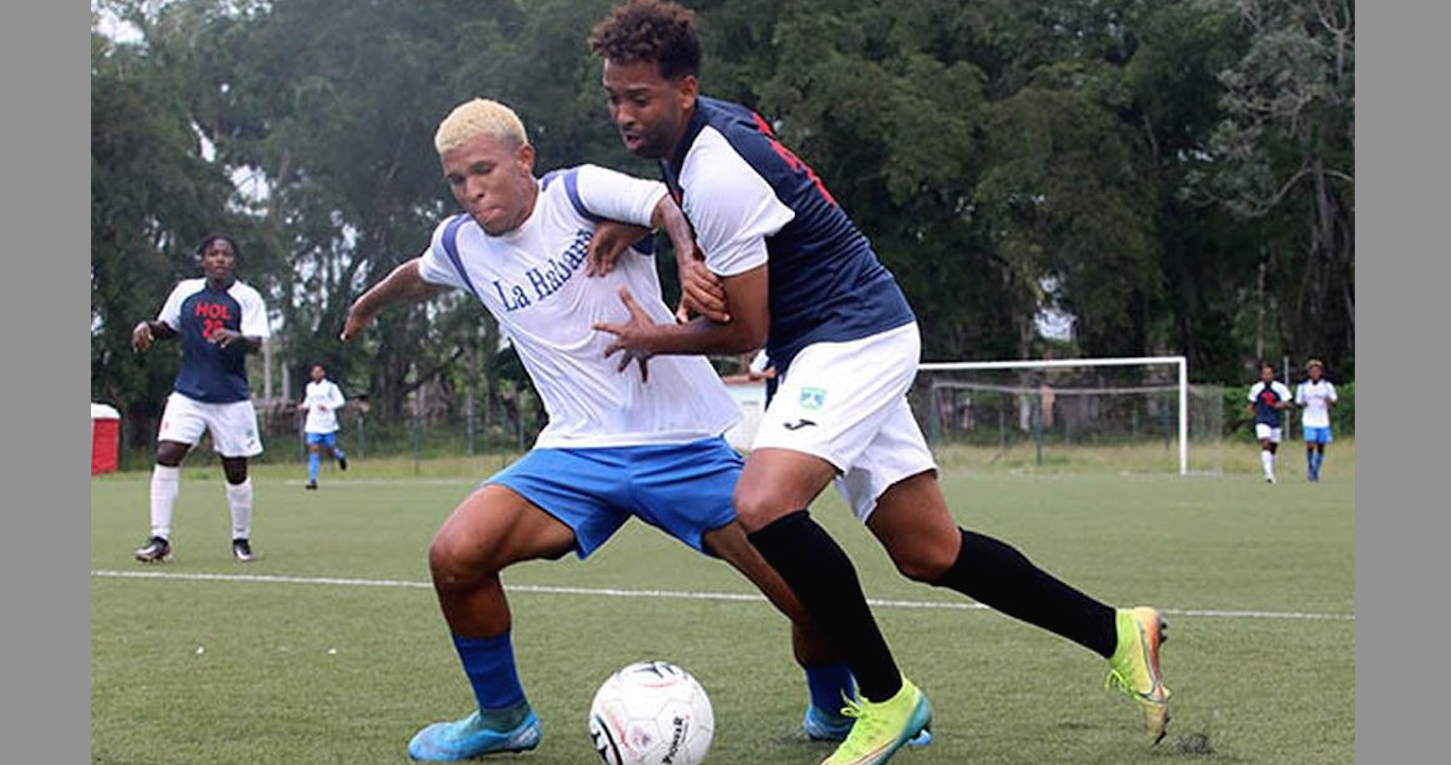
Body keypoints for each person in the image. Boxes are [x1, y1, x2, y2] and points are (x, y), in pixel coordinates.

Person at [587, 3, 1171, 762]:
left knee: (762, 502)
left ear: (685, 89)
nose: (624, 115)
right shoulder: (703, 135)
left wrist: (654, 338)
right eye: (614, 98)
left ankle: (887, 698)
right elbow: (719, 218)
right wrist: (676, 243)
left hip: (850, 337)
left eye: (639, 98)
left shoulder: (715, 168)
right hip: (834, 338)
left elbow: (746, 333)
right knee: (929, 550)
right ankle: (1118, 631)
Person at [339, 98, 878, 762]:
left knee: (810, 596)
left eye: (483, 170)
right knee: (455, 556)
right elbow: (418, 276)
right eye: (457, 179)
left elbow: (668, 205)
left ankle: (834, 709)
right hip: (575, 454)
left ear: (523, 159)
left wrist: (686, 259)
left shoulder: (578, 191)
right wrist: (366, 305)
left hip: (680, 445)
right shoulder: (460, 243)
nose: (472, 190)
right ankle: (503, 718)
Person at [130, 233, 270, 564]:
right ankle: (160, 538)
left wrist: (236, 337)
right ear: (203, 260)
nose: (219, 259)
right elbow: (169, 327)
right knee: (167, 453)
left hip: (230, 397)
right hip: (189, 393)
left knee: (235, 470)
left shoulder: (247, 297)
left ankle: (241, 539)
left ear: (234, 261)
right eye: (213, 253)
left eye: (226, 254)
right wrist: (146, 327)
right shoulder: (186, 292)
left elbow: (256, 343)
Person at [297, 363, 349, 490]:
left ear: (323, 373)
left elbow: (341, 401)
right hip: (313, 423)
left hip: (327, 423)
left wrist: (328, 406)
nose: (316, 374)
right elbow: (309, 402)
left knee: (329, 449)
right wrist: (303, 406)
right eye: (314, 372)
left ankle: (340, 456)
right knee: (313, 449)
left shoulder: (331, 387)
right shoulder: (309, 387)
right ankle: (313, 480)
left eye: (319, 372)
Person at [1246, 362, 1293, 483]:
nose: (1267, 376)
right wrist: (1250, 411)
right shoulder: (1256, 388)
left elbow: (1289, 404)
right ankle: (1268, 474)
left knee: (1273, 448)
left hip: (1275, 421)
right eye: (1264, 374)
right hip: (1262, 420)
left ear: (1273, 375)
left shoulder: (1280, 388)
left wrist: (1282, 405)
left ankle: (1271, 470)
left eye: (1269, 374)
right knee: (1265, 443)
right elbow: (1251, 403)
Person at [1294, 359, 1339, 482]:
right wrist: (1302, 404)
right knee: (1310, 442)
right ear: (1309, 372)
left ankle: (1316, 470)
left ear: (1320, 372)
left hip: (1322, 420)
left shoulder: (1327, 386)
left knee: (1321, 446)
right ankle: (1311, 467)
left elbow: (1334, 400)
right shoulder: (1303, 387)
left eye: (1317, 370)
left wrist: (1329, 401)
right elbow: (1298, 402)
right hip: (1309, 420)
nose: (1315, 373)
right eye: (1312, 371)